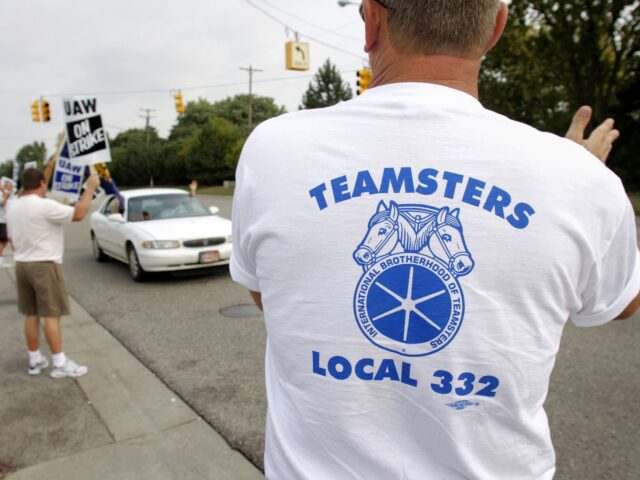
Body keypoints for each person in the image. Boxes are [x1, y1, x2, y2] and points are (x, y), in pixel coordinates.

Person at [230, 1, 640, 479]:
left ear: (372, 21)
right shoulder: (581, 181)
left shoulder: (271, 149)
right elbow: (621, 303)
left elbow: (270, 296)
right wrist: (574, 180)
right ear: (497, 27)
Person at [6, 168, 100, 378]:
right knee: (51, 313)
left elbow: (11, 239)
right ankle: (59, 363)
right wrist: (90, 189)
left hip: (21, 263)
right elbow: (79, 214)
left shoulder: (13, 206)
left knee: (31, 313)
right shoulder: (43, 205)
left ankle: (35, 360)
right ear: (40, 183)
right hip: (44, 264)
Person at [0, 179, 15, 268]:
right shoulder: (2, 194)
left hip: (6, 221)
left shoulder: (10, 195)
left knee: (5, 240)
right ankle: (0, 261)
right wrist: (5, 197)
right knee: (2, 241)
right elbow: (2, 203)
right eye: (10, 185)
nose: (11, 187)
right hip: (1, 221)